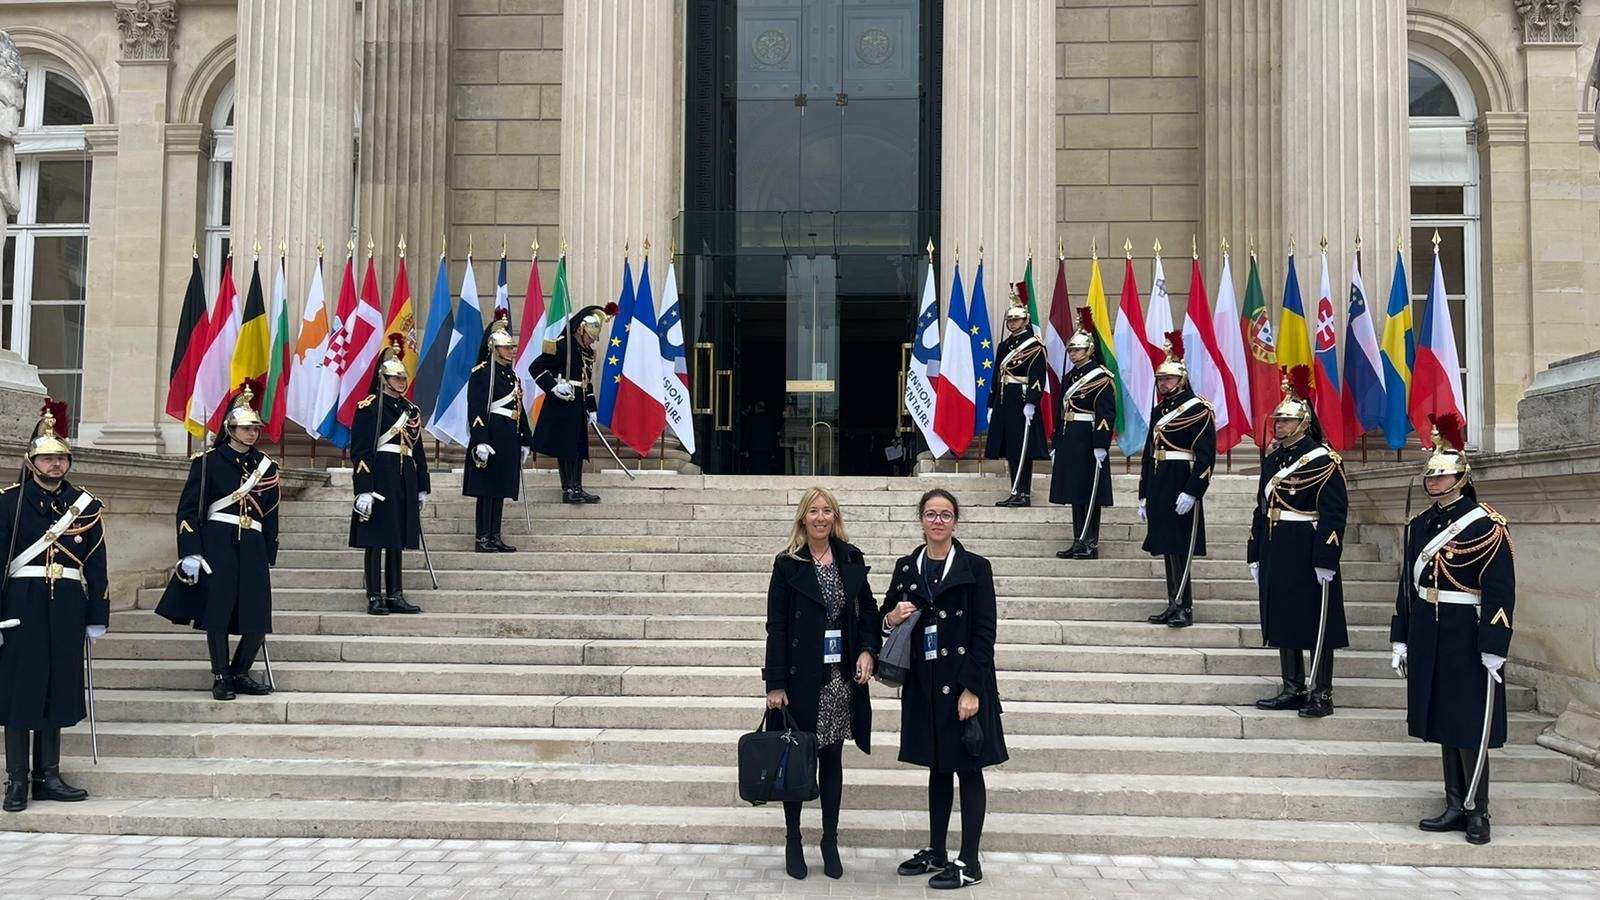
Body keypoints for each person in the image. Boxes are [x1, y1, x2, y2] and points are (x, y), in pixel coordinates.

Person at [1391, 413, 1514, 845]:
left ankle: (1478, 810)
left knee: (1468, 722)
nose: (1434, 483)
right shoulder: (1420, 525)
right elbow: (1408, 587)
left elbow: (1500, 590)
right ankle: (1452, 802)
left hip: (1468, 632)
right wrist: (1400, 636)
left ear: (1462, 478)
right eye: (1431, 477)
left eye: (1442, 478)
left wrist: (1495, 645)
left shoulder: (1485, 524)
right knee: (1442, 718)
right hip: (1429, 628)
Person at [882, 489, 1008, 890]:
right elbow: (882, 618)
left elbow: (985, 632)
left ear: (956, 521)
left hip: (964, 685)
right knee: (937, 767)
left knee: (969, 769)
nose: (938, 521)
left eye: (946, 515)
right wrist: (891, 617)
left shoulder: (975, 567)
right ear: (920, 519)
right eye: (931, 514)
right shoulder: (907, 568)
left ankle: (969, 862)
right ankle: (937, 851)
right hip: (925, 683)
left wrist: (972, 689)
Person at [761, 487, 879, 881]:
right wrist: (774, 683)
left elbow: (869, 612)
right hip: (799, 679)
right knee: (797, 758)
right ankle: (793, 838)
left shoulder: (850, 557)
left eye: (828, 510)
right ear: (802, 518)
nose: (821, 517)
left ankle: (829, 839)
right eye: (814, 510)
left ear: (835, 517)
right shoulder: (787, 564)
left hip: (839, 679)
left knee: (832, 760)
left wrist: (867, 650)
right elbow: (776, 627)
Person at [0, 402, 107, 812]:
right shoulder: (9, 502)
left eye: (61, 457)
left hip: (66, 605)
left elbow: (97, 563)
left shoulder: (86, 505)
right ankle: (16, 780)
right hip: (20, 604)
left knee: (56, 688)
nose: (56, 464)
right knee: (20, 691)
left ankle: (48, 775)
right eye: (48, 457)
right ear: (31, 462)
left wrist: (97, 615)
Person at [156, 386, 281, 701]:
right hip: (218, 541)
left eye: (255, 428)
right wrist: (190, 551)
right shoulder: (208, 462)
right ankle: (221, 674)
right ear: (230, 428)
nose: (252, 433)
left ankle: (240, 671)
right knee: (219, 612)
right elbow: (188, 510)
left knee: (257, 615)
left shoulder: (267, 467)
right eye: (246, 428)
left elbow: (271, 513)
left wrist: (268, 550)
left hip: (252, 542)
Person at [1247, 368, 1347, 718]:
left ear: (1304, 423)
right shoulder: (1274, 459)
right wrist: (1254, 552)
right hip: (1277, 545)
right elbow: (1262, 508)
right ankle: (1292, 686)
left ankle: (1322, 691)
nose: (1279, 425)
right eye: (1278, 419)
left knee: (1316, 620)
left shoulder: (1323, 460)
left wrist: (1326, 557)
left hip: (1307, 546)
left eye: (1287, 420)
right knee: (1282, 617)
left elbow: (1334, 513)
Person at [1138, 332, 1216, 629]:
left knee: (1181, 547)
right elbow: (1149, 454)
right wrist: (1143, 493)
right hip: (1160, 482)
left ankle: (1185, 606)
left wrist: (1194, 491)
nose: (1163, 384)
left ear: (1181, 380)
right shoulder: (1160, 410)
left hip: (1182, 481)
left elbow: (1206, 457)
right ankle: (1173, 602)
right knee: (1167, 545)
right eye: (1160, 380)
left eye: (1168, 380)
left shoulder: (1198, 409)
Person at [350, 336, 430, 616]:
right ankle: (374, 594)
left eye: (403, 377)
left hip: (404, 475)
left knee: (396, 537)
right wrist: (363, 488)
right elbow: (360, 450)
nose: (401, 381)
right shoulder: (369, 407)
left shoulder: (411, 410)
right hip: (380, 475)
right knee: (375, 539)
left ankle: (395, 593)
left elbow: (416, 449)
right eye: (395, 377)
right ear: (383, 378)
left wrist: (422, 485)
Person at [1048, 308, 1115, 559]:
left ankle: (1090, 542)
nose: (1073, 354)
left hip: (1088, 439)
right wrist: (1056, 442)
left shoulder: (1101, 377)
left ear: (1089, 350)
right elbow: (1060, 410)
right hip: (1070, 438)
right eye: (1071, 350)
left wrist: (1101, 444)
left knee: (1090, 492)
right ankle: (1078, 539)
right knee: (1076, 492)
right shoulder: (1071, 376)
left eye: (1077, 350)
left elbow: (1106, 415)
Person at [465, 313, 533, 552]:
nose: (511, 350)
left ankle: (495, 535)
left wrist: (526, 437)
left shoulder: (510, 374)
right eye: (506, 347)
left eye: (511, 347)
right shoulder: (483, 373)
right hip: (491, 436)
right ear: (493, 347)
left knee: (500, 488)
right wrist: (480, 440)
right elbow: (476, 408)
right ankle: (482, 537)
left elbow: (518, 407)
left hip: (508, 437)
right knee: (486, 489)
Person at [530, 305, 609, 503]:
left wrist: (592, 408)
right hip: (563, 402)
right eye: (590, 336)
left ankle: (578, 487)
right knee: (566, 447)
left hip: (579, 403)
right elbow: (536, 367)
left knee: (579, 447)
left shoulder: (587, 352)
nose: (591, 341)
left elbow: (586, 382)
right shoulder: (562, 345)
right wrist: (553, 387)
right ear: (581, 330)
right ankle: (568, 489)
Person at [986, 291, 1048, 507]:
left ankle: (1024, 493)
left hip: (1022, 400)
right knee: (1010, 447)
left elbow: (1039, 376)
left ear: (1025, 321)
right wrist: (991, 403)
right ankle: (1014, 490)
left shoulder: (1034, 346)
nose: (1013, 323)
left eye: (1017, 319)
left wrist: (1032, 401)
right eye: (1010, 320)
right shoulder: (1004, 346)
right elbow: (996, 375)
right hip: (1005, 400)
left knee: (1024, 447)